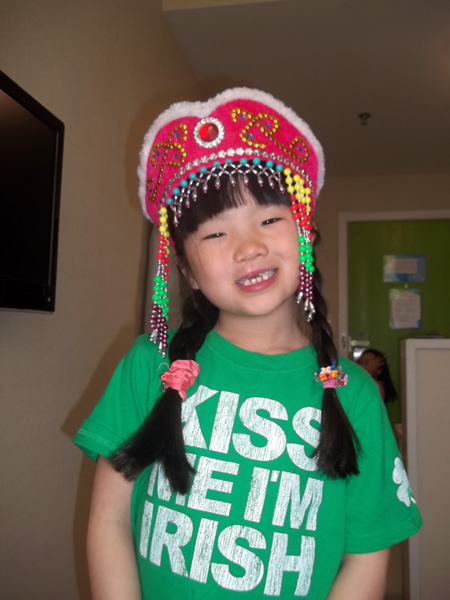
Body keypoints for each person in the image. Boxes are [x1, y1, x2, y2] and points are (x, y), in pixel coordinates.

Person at [74, 88, 422, 599]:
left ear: (306, 233)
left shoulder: (357, 396)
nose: (249, 248)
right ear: (188, 270)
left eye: (269, 219)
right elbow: (109, 523)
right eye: (215, 234)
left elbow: (366, 558)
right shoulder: (150, 365)